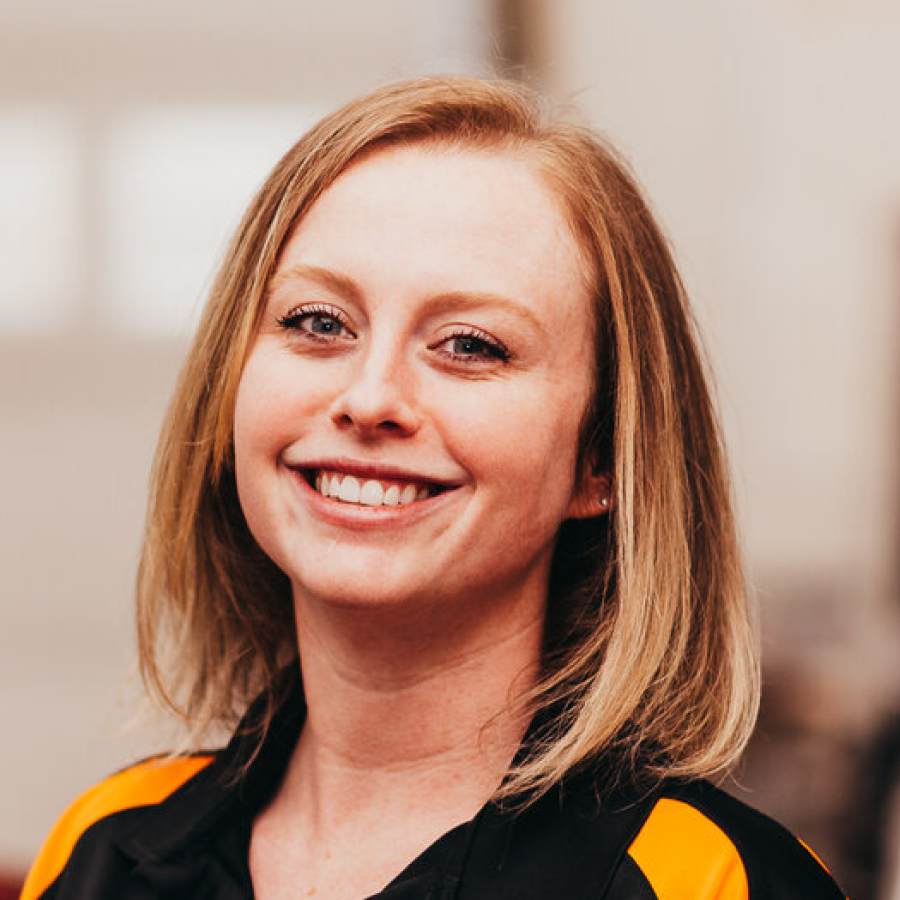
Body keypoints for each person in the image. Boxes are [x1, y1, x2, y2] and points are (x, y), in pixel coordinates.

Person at [20, 76, 845, 900]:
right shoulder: (102, 851)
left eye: (470, 344)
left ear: (602, 459)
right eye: (318, 323)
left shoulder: (714, 883)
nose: (371, 397)